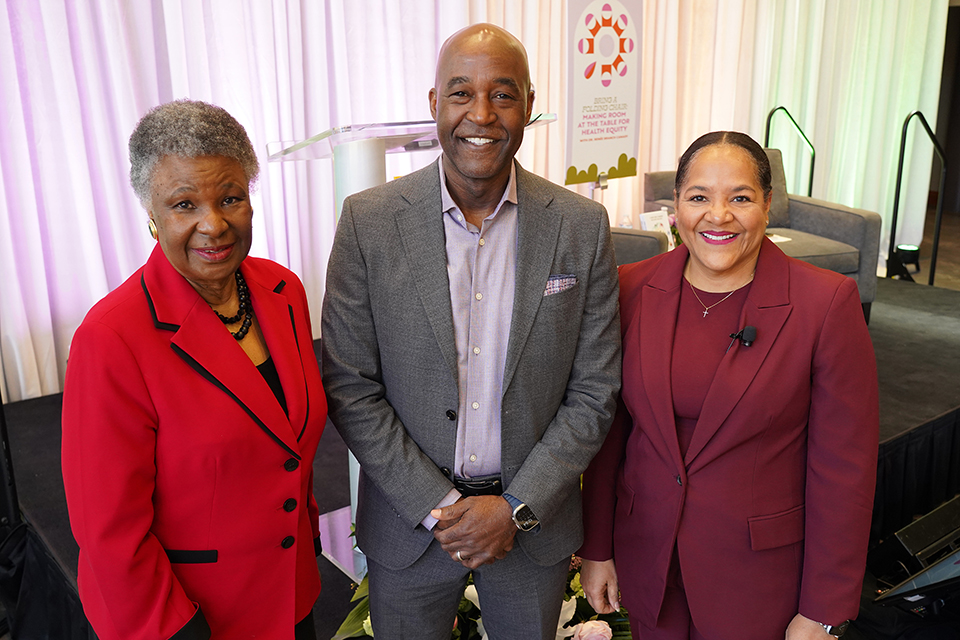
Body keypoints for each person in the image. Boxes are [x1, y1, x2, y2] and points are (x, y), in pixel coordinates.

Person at [321, 23, 621, 640]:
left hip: (530, 530)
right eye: (460, 93)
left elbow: (594, 391)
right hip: (410, 528)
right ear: (434, 104)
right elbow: (350, 386)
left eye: (502, 94)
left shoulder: (580, 227)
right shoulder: (368, 224)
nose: (480, 114)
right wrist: (439, 507)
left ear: (529, 106)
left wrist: (515, 508)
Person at [579, 131, 879, 639]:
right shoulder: (630, 287)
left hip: (760, 581)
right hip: (649, 560)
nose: (718, 216)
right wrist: (597, 547)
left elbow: (844, 470)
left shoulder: (825, 304)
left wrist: (826, 606)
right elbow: (609, 437)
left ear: (766, 205)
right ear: (675, 206)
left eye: (740, 197)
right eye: (699, 197)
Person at [61, 100, 326, 640]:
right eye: (185, 204)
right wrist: (171, 628)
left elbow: (288, 445)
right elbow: (108, 532)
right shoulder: (111, 337)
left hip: (292, 592)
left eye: (231, 197)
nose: (214, 224)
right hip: (193, 619)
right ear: (152, 217)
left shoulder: (283, 291)